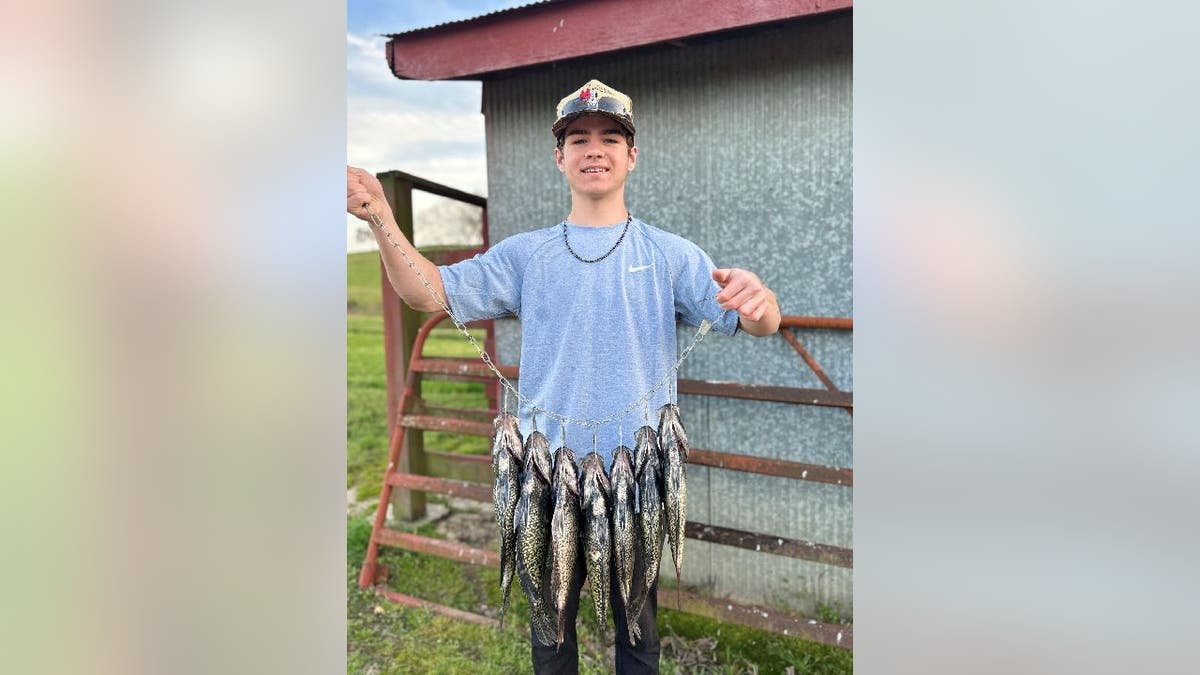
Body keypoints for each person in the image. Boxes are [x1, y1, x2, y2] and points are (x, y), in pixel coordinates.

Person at [347, 79, 780, 674]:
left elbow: (756, 322)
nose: (594, 149)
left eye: (610, 138)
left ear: (632, 155)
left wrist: (763, 302)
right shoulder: (526, 255)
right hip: (543, 476)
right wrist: (379, 217)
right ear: (560, 157)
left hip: (638, 478)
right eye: (578, 138)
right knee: (550, 641)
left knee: (639, 634)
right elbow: (429, 293)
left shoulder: (672, 255)